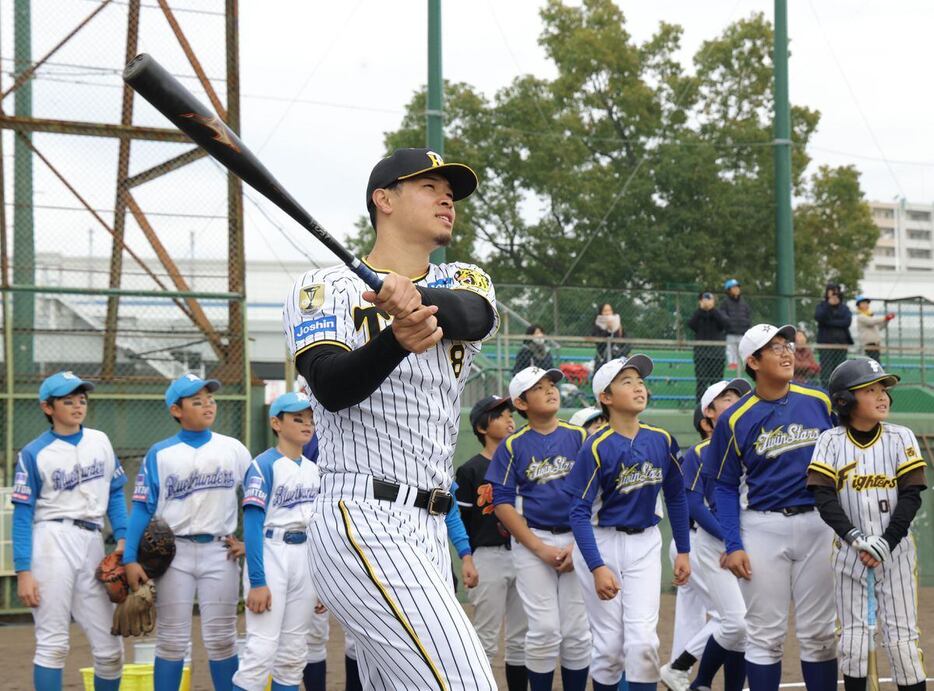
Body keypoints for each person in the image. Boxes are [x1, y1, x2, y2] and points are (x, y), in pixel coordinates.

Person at [283, 148, 497, 689]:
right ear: (384, 199)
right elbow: (330, 387)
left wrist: (412, 296)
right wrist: (395, 341)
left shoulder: (465, 278)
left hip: (428, 527)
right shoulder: (323, 288)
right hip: (362, 515)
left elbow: (474, 316)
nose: (447, 197)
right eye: (428, 186)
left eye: (450, 190)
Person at [702, 325, 837, 691]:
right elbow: (725, 486)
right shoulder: (735, 418)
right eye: (774, 347)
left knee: (820, 632)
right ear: (753, 361)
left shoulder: (819, 401)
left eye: (787, 344)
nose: (786, 352)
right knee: (765, 634)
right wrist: (733, 544)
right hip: (763, 527)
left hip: (819, 524)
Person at [565, 355, 692, 691]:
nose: (638, 386)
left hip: (645, 543)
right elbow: (577, 512)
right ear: (605, 397)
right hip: (600, 543)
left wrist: (683, 549)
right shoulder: (596, 447)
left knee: (643, 643)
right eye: (626, 381)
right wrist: (596, 566)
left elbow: (677, 497)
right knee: (608, 649)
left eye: (640, 380)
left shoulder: (661, 439)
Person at [124, 373, 252, 691]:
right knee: (171, 640)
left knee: (222, 639)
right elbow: (141, 507)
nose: (207, 405)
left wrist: (250, 541)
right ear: (176, 410)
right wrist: (129, 558)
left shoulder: (233, 449)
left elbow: (256, 501)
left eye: (210, 399)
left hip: (219, 552)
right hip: (173, 554)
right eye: (196, 401)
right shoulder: (161, 454)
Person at [807, 359, 926, 691]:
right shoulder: (830, 441)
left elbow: (912, 495)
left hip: (896, 552)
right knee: (853, 643)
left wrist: (886, 541)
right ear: (844, 399)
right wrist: (856, 537)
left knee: (902, 642)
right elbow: (824, 497)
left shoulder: (900, 437)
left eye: (883, 389)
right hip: (850, 554)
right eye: (870, 389)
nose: (882, 396)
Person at [12, 372, 127, 691]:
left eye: (82, 399)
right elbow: (22, 513)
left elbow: (115, 492)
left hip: (92, 541)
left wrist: (124, 536)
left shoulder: (100, 440)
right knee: (53, 643)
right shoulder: (34, 453)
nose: (78, 405)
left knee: (111, 647)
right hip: (51, 541)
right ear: (47, 407)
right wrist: (23, 570)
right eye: (68, 401)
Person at [486, 366, 591, 691]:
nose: (550, 390)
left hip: (579, 538)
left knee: (576, 632)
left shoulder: (581, 437)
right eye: (539, 387)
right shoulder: (513, 445)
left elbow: (597, 493)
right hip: (535, 540)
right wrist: (539, 547)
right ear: (521, 403)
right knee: (544, 629)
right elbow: (502, 503)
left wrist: (580, 545)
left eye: (551, 384)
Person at [663, 380, 751, 691]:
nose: (735, 401)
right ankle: (685, 671)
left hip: (742, 543)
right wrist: (731, 539)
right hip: (711, 543)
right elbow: (692, 503)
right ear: (707, 418)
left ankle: (687, 673)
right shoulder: (701, 452)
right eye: (726, 399)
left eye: (738, 397)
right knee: (735, 620)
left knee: (741, 628)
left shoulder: (749, 447)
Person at [233, 392, 320, 691]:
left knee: (294, 655)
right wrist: (257, 581)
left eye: (310, 419)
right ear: (276, 423)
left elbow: (320, 529)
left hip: (306, 557)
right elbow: (254, 525)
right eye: (298, 419)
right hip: (273, 554)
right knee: (261, 651)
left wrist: (322, 582)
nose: (307, 425)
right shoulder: (263, 465)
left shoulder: (315, 471)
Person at [454, 395, 528, 691]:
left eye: (510, 414)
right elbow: (462, 519)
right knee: (484, 638)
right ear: (482, 427)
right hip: (488, 557)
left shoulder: (523, 464)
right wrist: (467, 558)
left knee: (521, 639)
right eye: (499, 415)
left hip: (525, 554)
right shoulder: (470, 470)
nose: (509, 419)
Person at [687, 291, 729, 401]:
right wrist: (701, 310)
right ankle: (701, 404)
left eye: (709, 299)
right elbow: (691, 324)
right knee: (701, 381)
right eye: (704, 299)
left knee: (717, 381)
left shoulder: (719, 313)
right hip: (701, 354)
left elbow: (724, 323)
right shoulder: (698, 314)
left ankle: (716, 402)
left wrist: (712, 309)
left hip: (717, 354)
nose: (706, 302)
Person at [814, 283, 853, 388]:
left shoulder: (844, 308)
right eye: (831, 291)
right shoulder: (822, 306)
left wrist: (829, 322)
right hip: (826, 345)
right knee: (826, 371)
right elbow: (819, 317)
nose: (834, 293)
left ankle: (840, 390)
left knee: (840, 370)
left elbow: (847, 322)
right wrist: (828, 304)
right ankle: (826, 390)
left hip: (841, 345)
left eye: (836, 291)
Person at [718, 279, 751, 371]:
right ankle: (732, 366)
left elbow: (748, 315)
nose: (736, 289)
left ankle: (746, 366)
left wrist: (747, 325)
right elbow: (722, 316)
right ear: (728, 290)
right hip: (730, 332)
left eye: (737, 287)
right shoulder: (725, 303)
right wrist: (728, 323)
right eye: (733, 287)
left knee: (744, 350)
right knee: (731, 350)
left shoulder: (743, 303)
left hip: (742, 332)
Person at [854, 296, 895, 363]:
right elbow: (871, 322)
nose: (866, 305)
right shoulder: (861, 317)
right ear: (858, 305)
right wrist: (885, 318)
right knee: (872, 363)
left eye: (867, 303)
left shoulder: (870, 316)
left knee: (876, 362)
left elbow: (879, 327)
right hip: (868, 345)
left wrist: (887, 320)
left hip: (876, 344)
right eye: (863, 303)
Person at [592, 303, 630, 372]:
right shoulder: (597, 325)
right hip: (602, 358)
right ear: (601, 313)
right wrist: (607, 329)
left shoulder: (618, 325)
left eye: (609, 310)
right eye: (605, 311)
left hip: (616, 358)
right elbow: (598, 341)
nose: (608, 313)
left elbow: (625, 341)